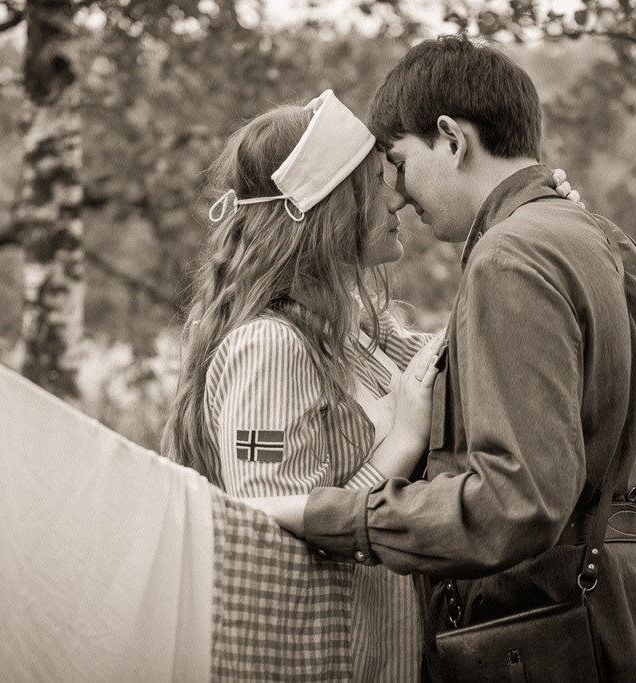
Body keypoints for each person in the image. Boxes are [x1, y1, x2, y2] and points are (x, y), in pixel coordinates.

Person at [253, 36, 636, 681]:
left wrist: (326, 515)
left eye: (397, 160)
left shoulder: (511, 257)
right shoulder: (614, 242)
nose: (394, 192)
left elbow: (517, 501)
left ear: (451, 138)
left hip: (562, 638)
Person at [165, 91, 443, 682]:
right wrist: (402, 445)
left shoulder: (352, 332)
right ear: (332, 207)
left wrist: (534, 223)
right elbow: (269, 525)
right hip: (318, 660)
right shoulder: (270, 348)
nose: (399, 197)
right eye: (375, 183)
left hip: (377, 648)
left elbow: (459, 354)